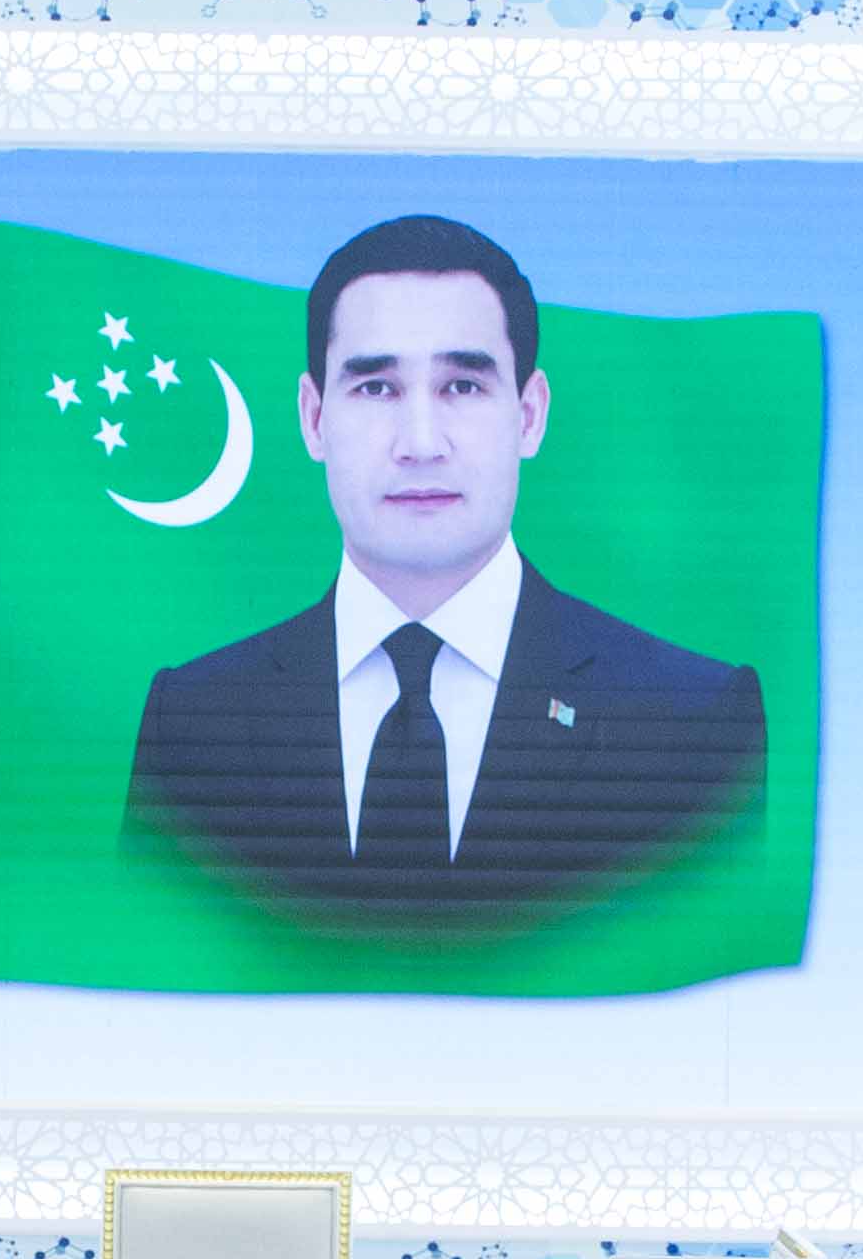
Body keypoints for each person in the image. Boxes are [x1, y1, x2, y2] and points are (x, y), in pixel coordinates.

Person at [124, 212, 762, 925]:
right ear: (313, 418)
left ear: (529, 415)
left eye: (462, 386)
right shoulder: (195, 720)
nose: (421, 443)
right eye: (376, 388)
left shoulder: (689, 720)